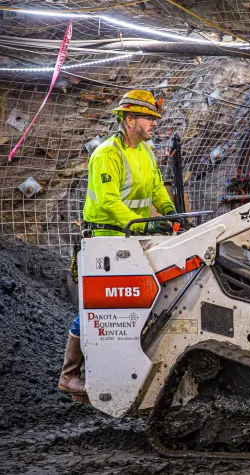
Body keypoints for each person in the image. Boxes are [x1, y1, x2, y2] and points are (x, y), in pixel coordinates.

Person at [58, 90, 178, 396]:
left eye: (154, 118)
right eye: (148, 118)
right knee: (97, 307)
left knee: (133, 305)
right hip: (105, 239)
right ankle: (69, 375)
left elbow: (156, 189)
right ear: (129, 120)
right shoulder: (106, 155)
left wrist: (172, 215)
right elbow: (110, 202)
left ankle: (122, 368)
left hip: (131, 237)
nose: (153, 123)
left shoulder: (145, 153)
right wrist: (143, 226)